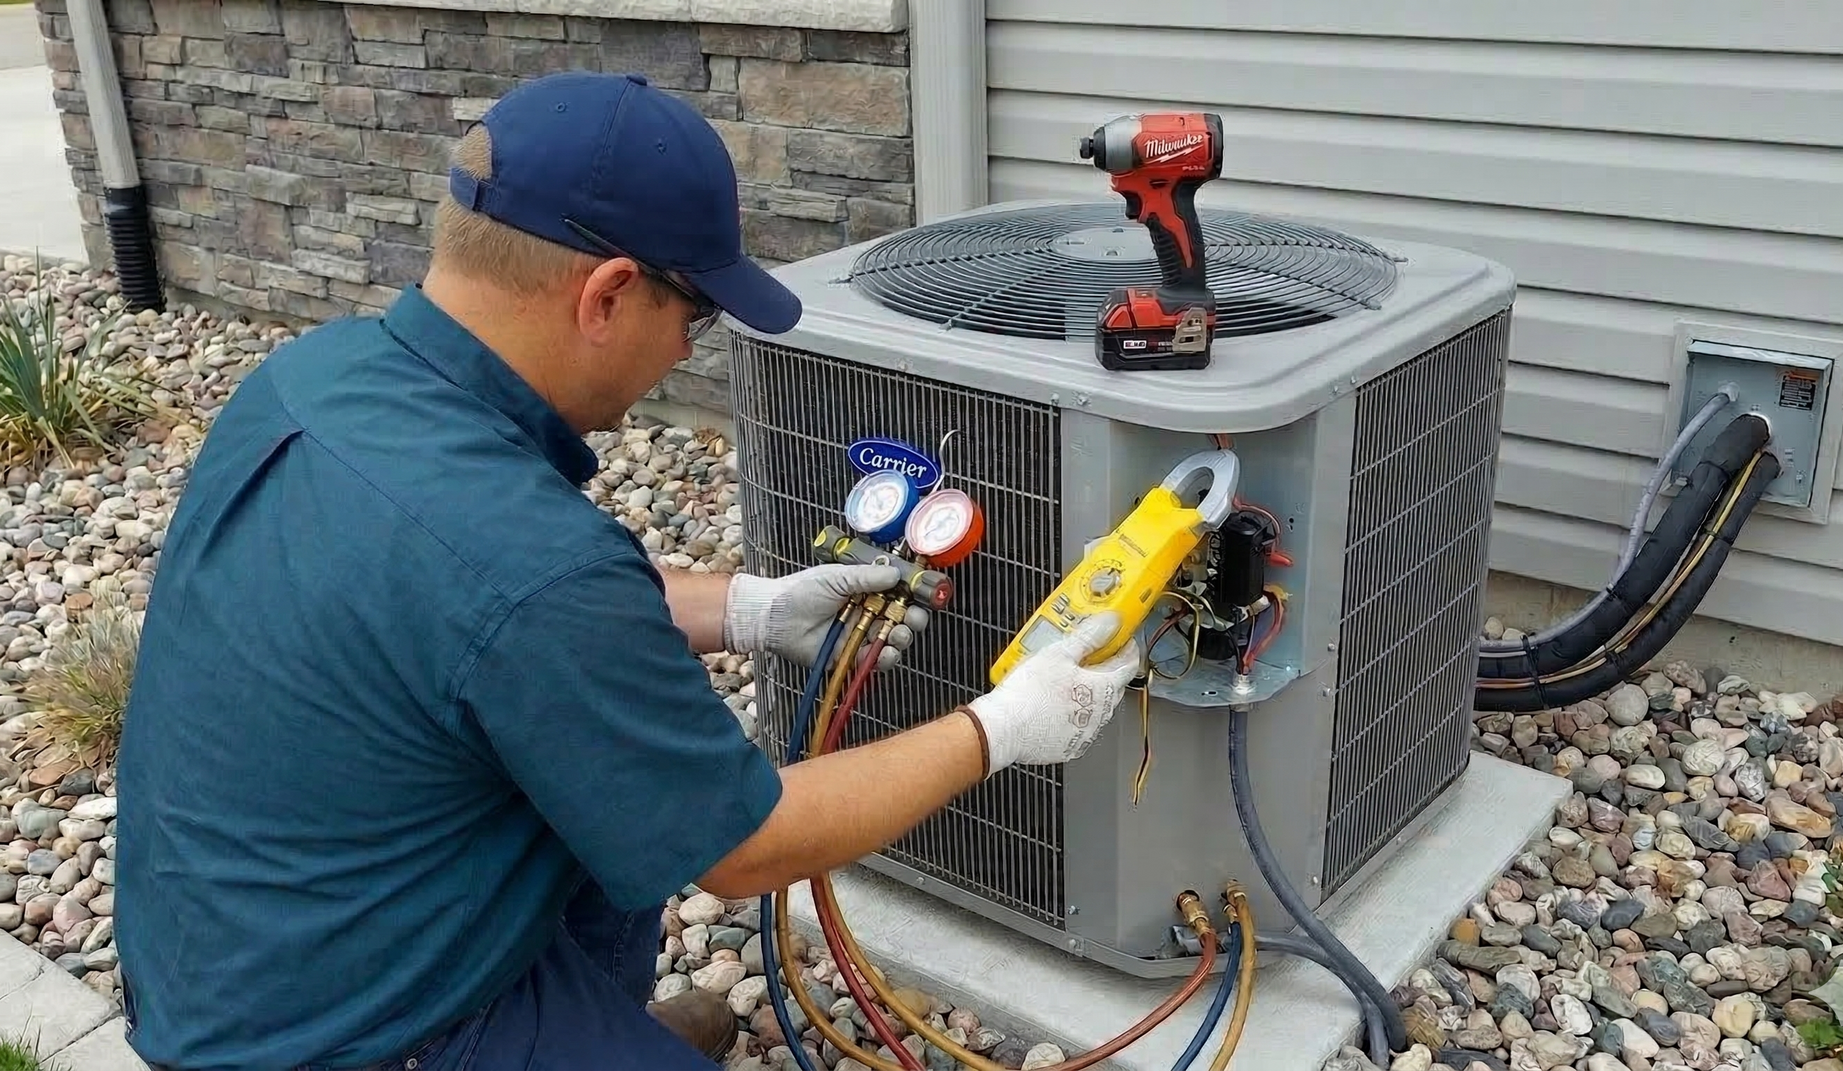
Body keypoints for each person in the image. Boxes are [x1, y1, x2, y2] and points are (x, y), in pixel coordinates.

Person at [111, 70, 1142, 1071]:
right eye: (691, 321)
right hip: (354, 1035)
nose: (682, 353)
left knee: (617, 803)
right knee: (655, 804)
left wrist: (744, 609)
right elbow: (745, 845)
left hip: (231, 949)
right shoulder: (530, 567)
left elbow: (462, 612)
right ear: (606, 293)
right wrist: (1001, 727)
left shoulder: (314, 376)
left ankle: (589, 1025)